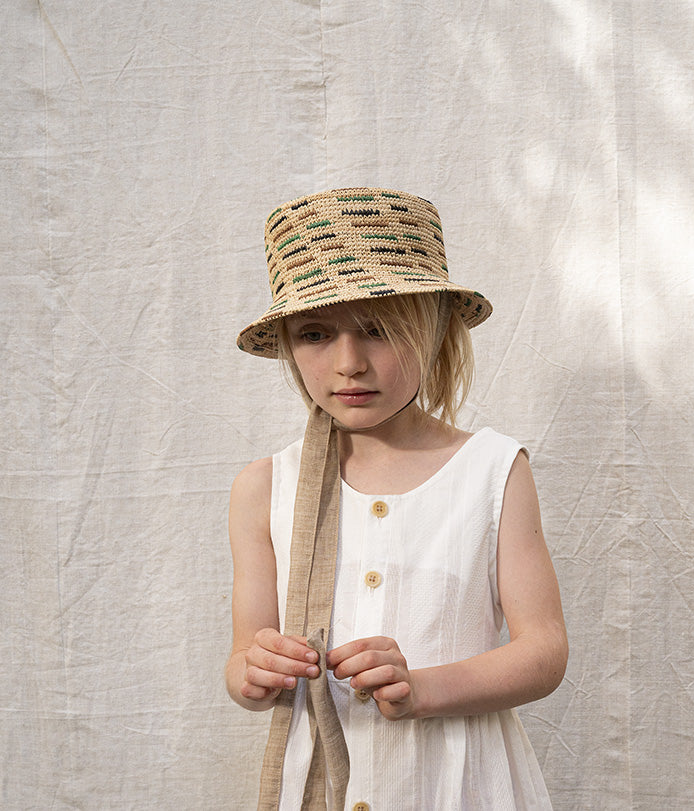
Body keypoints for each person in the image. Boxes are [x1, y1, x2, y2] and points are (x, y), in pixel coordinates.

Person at [225, 188, 568, 810]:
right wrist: (255, 674)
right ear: (288, 345)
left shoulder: (491, 469)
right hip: (321, 787)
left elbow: (543, 653)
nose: (348, 363)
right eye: (315, 333)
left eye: (379, 329)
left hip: (458, 786)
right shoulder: (263, 488)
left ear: (434, 331)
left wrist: (424, 688)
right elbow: (245, 654)